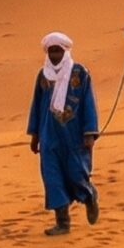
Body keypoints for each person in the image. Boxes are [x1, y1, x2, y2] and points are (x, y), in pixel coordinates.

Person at [26, 32, 100, 235]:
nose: (55, 55)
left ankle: (89, 196)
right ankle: (63, 223)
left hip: (74, 135)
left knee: (76, 174)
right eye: (51, 51)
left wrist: (89, 133)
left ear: (65, 50)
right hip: (49, 136)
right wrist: (35, 135)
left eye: (58, 50)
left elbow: (88, 103)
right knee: (52, 177)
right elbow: (37, 105)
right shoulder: (43, 76)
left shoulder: (80, 73)